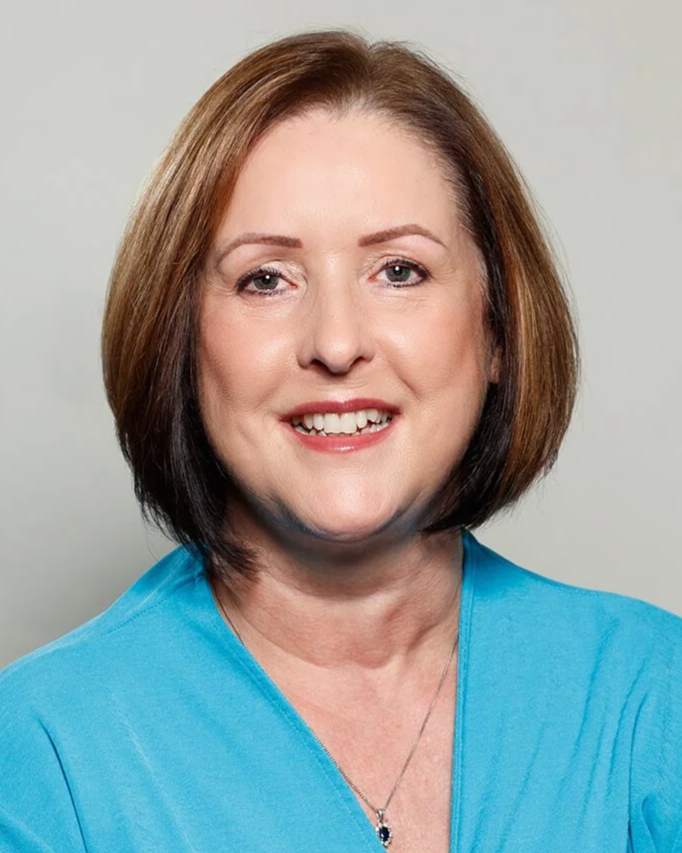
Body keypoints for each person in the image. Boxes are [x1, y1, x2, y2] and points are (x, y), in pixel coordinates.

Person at [1, 27, 680, 853]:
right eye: (266, 278)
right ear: (183, 341)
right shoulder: (42, 750)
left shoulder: (654, 695)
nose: (335, 341)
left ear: (497, 328)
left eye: (399, 270)